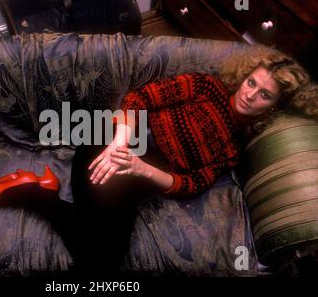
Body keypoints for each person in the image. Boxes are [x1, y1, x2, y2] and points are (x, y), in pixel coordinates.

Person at [58, 47, 317, 275]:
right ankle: (40, 195)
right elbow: (140, 98)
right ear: (244, 77)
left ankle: (41, 195)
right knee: (100, 251)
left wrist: (143, 169)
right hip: (114, 138)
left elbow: (191, 183)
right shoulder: (206, 86)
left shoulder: (232, 150)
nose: (250, 95)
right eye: (251, 83)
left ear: (272, 108)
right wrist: (119, 144)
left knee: (109, 255)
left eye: (264, 94)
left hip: (137, 175)